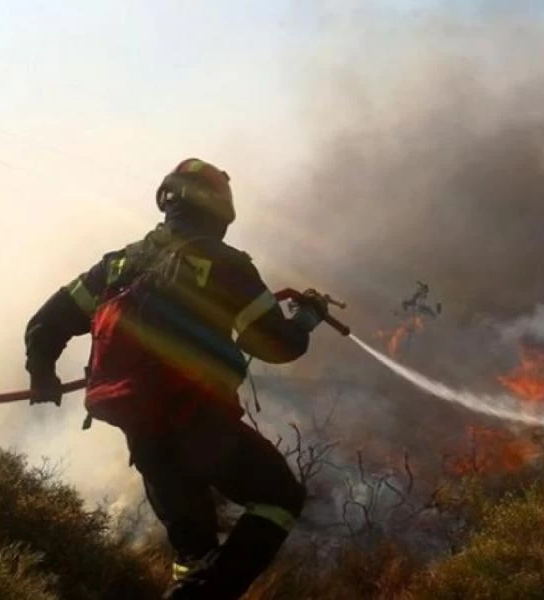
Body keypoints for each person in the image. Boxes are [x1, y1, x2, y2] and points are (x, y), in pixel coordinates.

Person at [24, 158, 326, 599]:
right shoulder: (226, 265)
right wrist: (306, 318)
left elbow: (45, 323)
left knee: (194, 555)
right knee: (279, 498)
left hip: (142, 430)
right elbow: (279, 346)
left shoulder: (118, 264)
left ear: (168, 201)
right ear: (221, 211)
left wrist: (42, 374)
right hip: (198, 421)